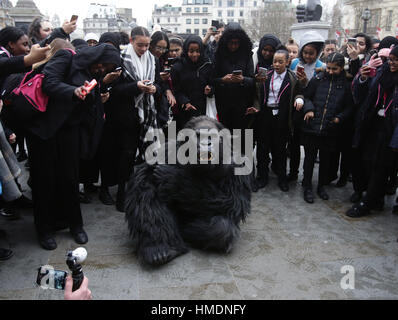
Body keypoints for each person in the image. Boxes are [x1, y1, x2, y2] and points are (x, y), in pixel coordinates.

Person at [25, 43, 120, 250]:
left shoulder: (91, 72)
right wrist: (73, 91)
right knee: (44, 181)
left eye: (107, 67)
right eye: (103, 64)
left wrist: (98, 95)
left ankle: (75, 225)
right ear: (96, 57)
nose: (102, 69)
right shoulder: (66, 57)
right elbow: (49, 83)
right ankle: (44, 229)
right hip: (44, 130)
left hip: (70, 131)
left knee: (70, 178)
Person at [99, 27, 162, 212]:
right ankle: (122, 194)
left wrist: (154, 89)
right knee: (125, 155)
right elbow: (114, 90)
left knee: (147, 154)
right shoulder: (120, 58)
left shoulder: (153, 60)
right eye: (140, 45)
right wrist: (136, 86)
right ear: (131, 41)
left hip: (148, 114)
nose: (144, 49)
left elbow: (159, 83)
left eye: (147, 45)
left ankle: (143, 192)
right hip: (123, 115)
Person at [346, 46, 398, 217]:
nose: (391, 63)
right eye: (390, 59)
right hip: (372, 123)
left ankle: (368, 202)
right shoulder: (382, 73)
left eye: (395, 60)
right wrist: (363, 77)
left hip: (391, 128)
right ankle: (371, 196)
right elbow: (361, 96)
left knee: (381, 166)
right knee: (367, 160)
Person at [301, 53, 353, 204]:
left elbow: (349, 107)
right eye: (328, 68)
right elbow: (307, 96)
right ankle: (307, 185)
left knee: (326, 160)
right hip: (313, 126)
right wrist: (308, 109)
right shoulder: (317, 79)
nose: (330, 72)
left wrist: (339, 118)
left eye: (334, 69)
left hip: (331, 128)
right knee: (309, 159)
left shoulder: (346, 83)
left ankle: (321, 186)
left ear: (341, 68)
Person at [253, 48, 303, 192]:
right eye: (275, 61)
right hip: (265, 114)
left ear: (287, 62)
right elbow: (256, 94)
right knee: (262, 147)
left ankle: (282, 178)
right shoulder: (265, 75)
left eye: (280, 62)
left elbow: (299, 93)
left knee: (280, 148)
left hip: (282, 116)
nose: (277, 64)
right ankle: (262, 177)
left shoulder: (292, 78)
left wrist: (299, 99)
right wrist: (256, 107)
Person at [289, 31, 325, 182]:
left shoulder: (321, 67)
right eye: (305, 52)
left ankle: (307, 179)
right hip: (296, 108)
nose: (308, 56)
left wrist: (306, 83)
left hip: (311, 111)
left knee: (309, 148)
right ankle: (293, 172)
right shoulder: (295, 63)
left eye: (312, 53)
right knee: (294, 144)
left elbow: (317, 91)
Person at [214, 22, 255, 150]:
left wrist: (242, 80)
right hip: (223, 103)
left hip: (241, 103)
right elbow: (211, 79)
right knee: (225, 134)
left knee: (241, 136)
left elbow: (253, 80)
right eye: (231, 43)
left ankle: (242, 164)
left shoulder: (247, 55)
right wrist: (223, 80)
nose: (233, 46)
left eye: (236, 43)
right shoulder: (218, 55)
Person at [171, 35, 214, 128]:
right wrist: (185, 102)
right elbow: (176, 89)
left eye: (198, 51)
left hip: (203, 110)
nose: (194, 55)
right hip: (184, 111)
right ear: (186, 51)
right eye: (191, 51)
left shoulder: (207, 64)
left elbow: (213, 83)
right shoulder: (177, 67)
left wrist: (210, 89)